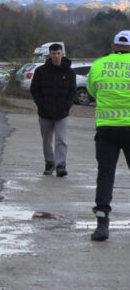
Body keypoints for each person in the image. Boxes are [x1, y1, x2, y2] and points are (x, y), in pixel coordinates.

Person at [86, 30, 130, 241]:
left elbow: (92, 91)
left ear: (113, 47)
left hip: (106, 128)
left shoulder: (98, 65)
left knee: (105, 175)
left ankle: (102, 224)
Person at [29, 43, 76, 177]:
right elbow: (34, 89)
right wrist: (41, 104)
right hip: (45, 112)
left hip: (62, 112)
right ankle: (49, 163)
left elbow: (72, 91)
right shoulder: (41, 71)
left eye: (58, 53)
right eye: (53, 54)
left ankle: (61, 165)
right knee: (46, 140)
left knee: (61, 139)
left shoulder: (69, 72)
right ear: (50, 55)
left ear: (63, 54)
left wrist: (67, 105)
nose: (56, 56)